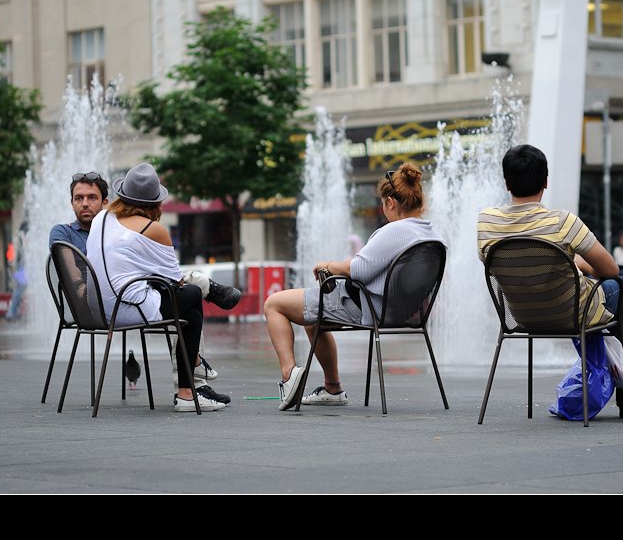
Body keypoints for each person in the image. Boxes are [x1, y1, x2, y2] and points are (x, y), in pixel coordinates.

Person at [476, 145, 623, 418]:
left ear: (506, 182)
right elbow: (610, 270)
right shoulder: (562, 222)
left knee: (603, 277)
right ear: (546, 180)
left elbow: (518, 263)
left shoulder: (486, 223)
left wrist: (572, 264)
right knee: (620, 288)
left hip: (520, 319)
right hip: (572, 313)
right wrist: (581, 263)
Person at [264, 163, 445, 411]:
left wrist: (328, 265)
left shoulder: (393, 231)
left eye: (383, 205)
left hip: (369, 309)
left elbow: (358, 269)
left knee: (274, 304)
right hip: (404, 313)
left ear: (391, 202)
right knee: (311, 316)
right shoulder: (433, 235)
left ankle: (289, 375)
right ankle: (332, 388)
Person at [85, 163, 240, 412]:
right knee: (191, 295)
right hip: (126, 308)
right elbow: (175, 281)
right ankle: (189, 385)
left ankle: (190, 386)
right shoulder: (153, 230)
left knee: (188, 305)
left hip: (94, 309)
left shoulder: (101, 217)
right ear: (155, 203)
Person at [49, 171, 109, 256]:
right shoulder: (62, 232)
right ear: (72, 203)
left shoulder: (115, 232)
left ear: (104, 202)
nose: (85, 204)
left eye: (92, 197)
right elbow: (68, 268)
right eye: (78, 198)